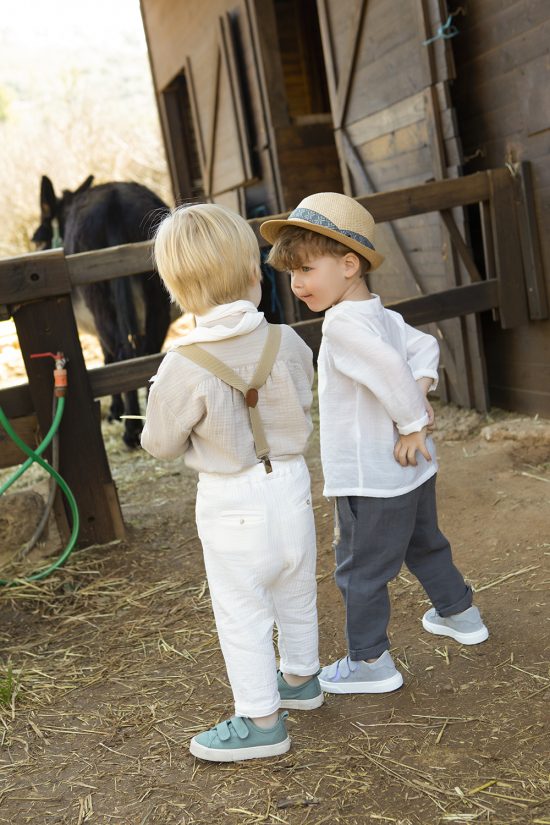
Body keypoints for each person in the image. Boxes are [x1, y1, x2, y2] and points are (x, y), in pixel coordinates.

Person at [261, 192, 488, 695]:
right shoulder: (376, 313)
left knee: (360, 570)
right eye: (291, 273)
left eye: (307, 270)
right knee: (426, 543)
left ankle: (369, 663)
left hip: (370, 476)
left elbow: (388, 370)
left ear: (348, 264)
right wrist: (420, 396)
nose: (297, 284)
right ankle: (460, 614)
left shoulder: (342, 324)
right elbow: (424, 347)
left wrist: (411, 420)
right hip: (412, 471)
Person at [141, 203, 323, 761]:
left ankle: (262, 720)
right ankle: (301, 679)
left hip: (230, 501)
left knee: (242, 611)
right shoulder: (288, 342)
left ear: (177, 290)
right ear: (254, 273)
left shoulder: (183, 365)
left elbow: (159, 443)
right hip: (291, 486)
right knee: (296, 588)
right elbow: (306, 398)